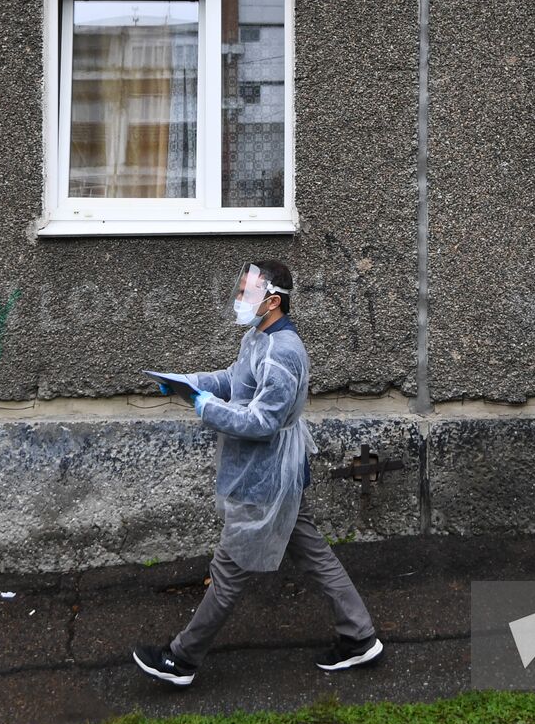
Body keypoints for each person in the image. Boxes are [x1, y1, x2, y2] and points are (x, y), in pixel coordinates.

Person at [133, 261, 383, 686]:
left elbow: (263, 421)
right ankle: (360, 637)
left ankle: (182, 659)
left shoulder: (283, 351)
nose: (240, 299)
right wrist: (188, 383)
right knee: (311, 551)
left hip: (268, 476)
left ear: (273, 301)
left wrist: (204, 407)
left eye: (248, 293)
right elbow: (234, 380)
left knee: (229, 569)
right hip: (270, 475)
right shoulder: (257, 337)